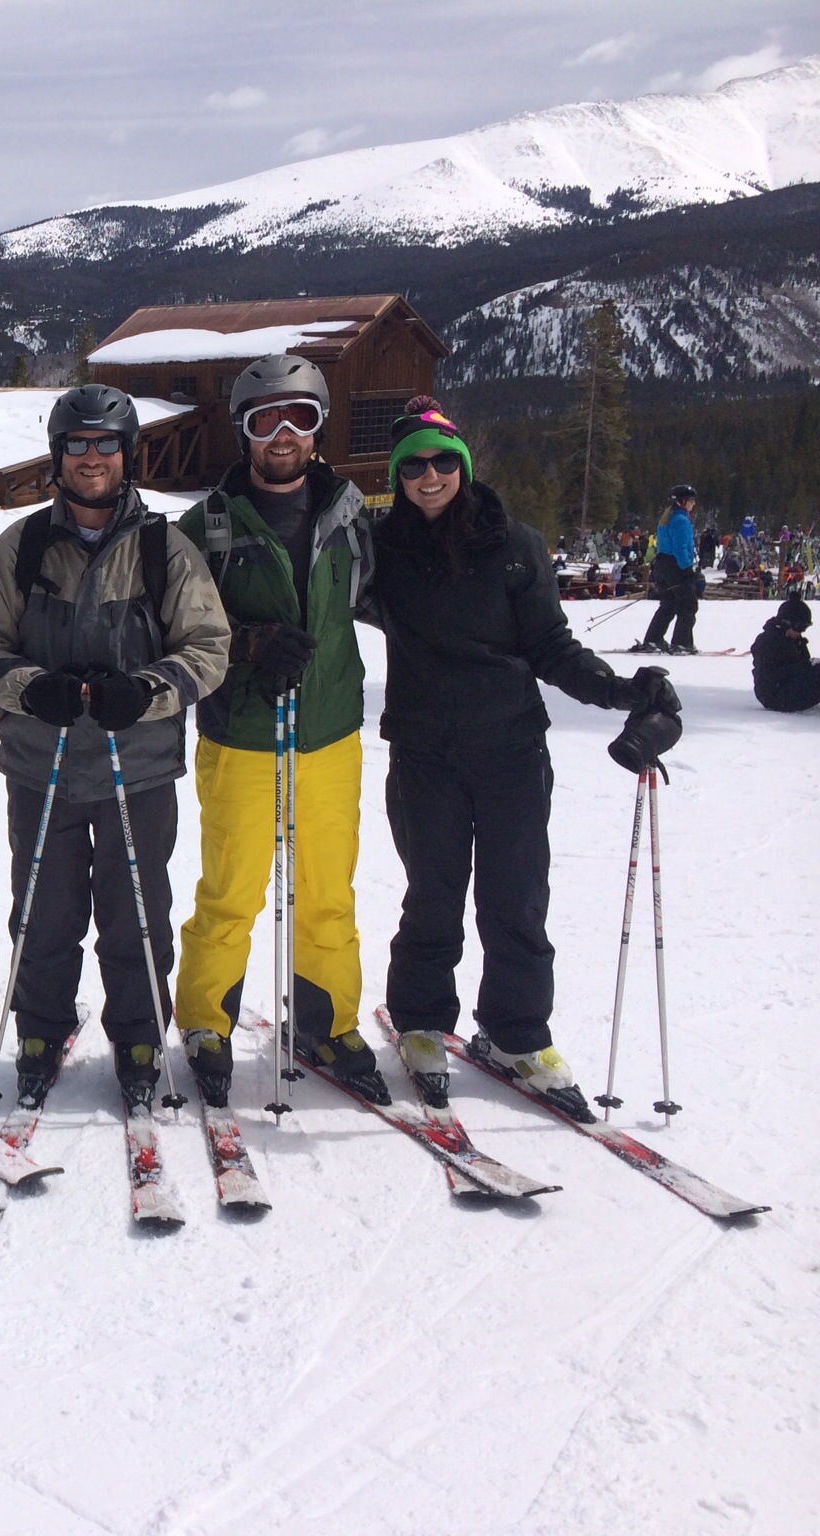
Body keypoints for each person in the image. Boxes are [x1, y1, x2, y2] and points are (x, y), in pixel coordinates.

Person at [363, 397, 681, 1119]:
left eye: (443, 461)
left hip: (510, 748)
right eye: (412, 467)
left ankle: (516, 1033)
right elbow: (321, 591)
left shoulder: (515, 544)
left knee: (517, 895)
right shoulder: (380, 551)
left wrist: (618, 690)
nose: (429, 476)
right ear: (397, 478)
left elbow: (550, 646)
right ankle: (421, 1022)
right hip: (423, 752)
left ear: (464, 466)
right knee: (433, 893)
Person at [0, 384, 232, 1112]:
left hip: (134, 768)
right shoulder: (22, 547)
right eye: (76, 444)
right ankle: (41, 1031)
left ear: (127, 454)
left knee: (134, 911)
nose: (91, 458)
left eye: (105, 444)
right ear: (57, 457)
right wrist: (30, 688)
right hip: (42, 765)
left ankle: (139, 1036)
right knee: (43, 911)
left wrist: (147, 690)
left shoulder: (162, 548)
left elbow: (208, 647)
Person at [172, 355, 388, 1106]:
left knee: (327, 890)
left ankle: (327, 1023)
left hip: (328, 732)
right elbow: (175, 626)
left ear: (320, 428)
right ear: (245, 433)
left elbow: (396, 597)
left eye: (301, 416)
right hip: (242, 734)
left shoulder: (353, 519)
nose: (284, 434)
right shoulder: (206, 527)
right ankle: (206, 1021)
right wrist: (248, 643)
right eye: (268, 420)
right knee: (231, 890)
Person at [632, 486, 699, 655]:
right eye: (691, 500)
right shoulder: (681, 521)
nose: (693, 504)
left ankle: (653, 639)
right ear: (682, 502)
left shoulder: (667, 519)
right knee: (688, 605)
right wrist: (687, 569)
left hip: (662, 565)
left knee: (669, 604)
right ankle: (682, 643)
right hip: (676, 566)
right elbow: (680, 548)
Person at [753, 597, 820, 713]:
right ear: (785, 623)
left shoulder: (796, 641)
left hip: (790, 688)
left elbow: (803, 666)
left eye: (805, 628)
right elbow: (770, 674)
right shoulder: (767, 641)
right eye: (799, 627)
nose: (801, 632)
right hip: (774, 695)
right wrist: (807, 667)